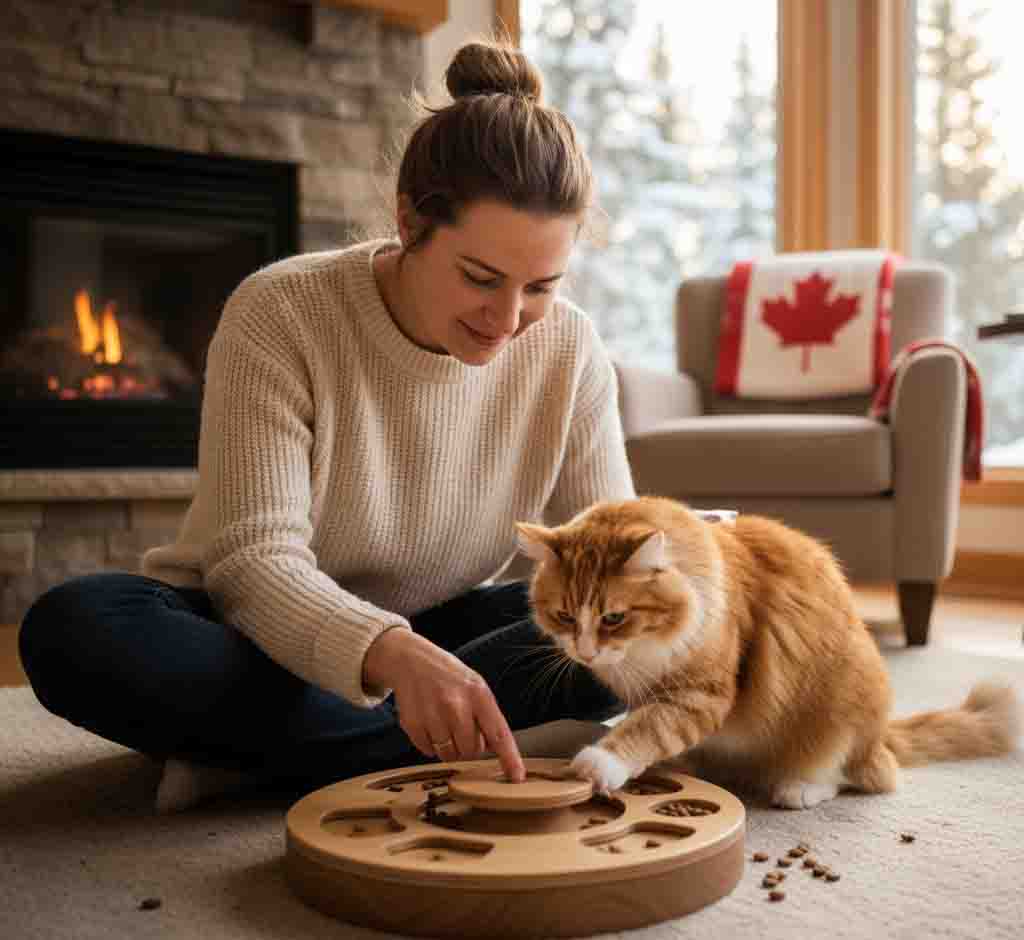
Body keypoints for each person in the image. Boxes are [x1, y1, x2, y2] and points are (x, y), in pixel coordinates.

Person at [18, 38, 635, 813]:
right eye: (480, 278)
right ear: (409, 220)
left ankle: (260, 758)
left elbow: (608, 558)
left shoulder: (569, 344)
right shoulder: (281, 311)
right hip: (254, 632)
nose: (509, 320)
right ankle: (445, 741)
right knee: (75, 628)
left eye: (540, 286)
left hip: (435, 630)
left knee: (610, 635)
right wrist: (391, 655)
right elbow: (253, 563)